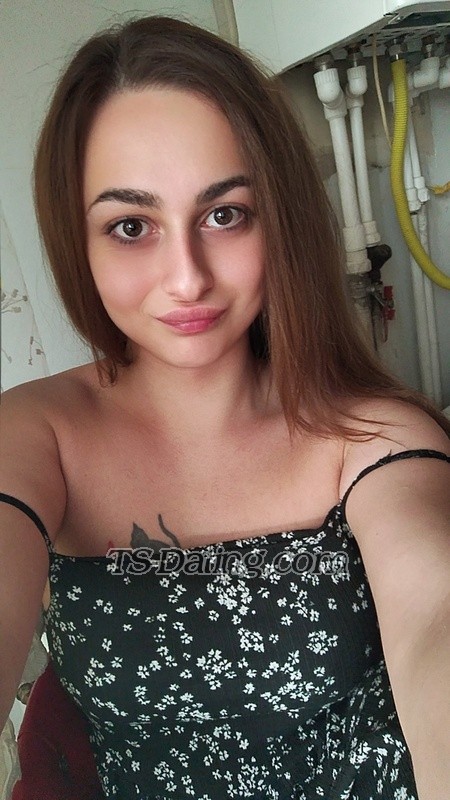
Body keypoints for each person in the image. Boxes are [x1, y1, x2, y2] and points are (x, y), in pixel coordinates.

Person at [0, 14, 449, 800]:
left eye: (224, 214)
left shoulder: (375, 434)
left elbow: (434, 618)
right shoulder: (36, 435)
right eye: (131, 226)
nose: (188, 278)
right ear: (81, 241)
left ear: (280, 218)